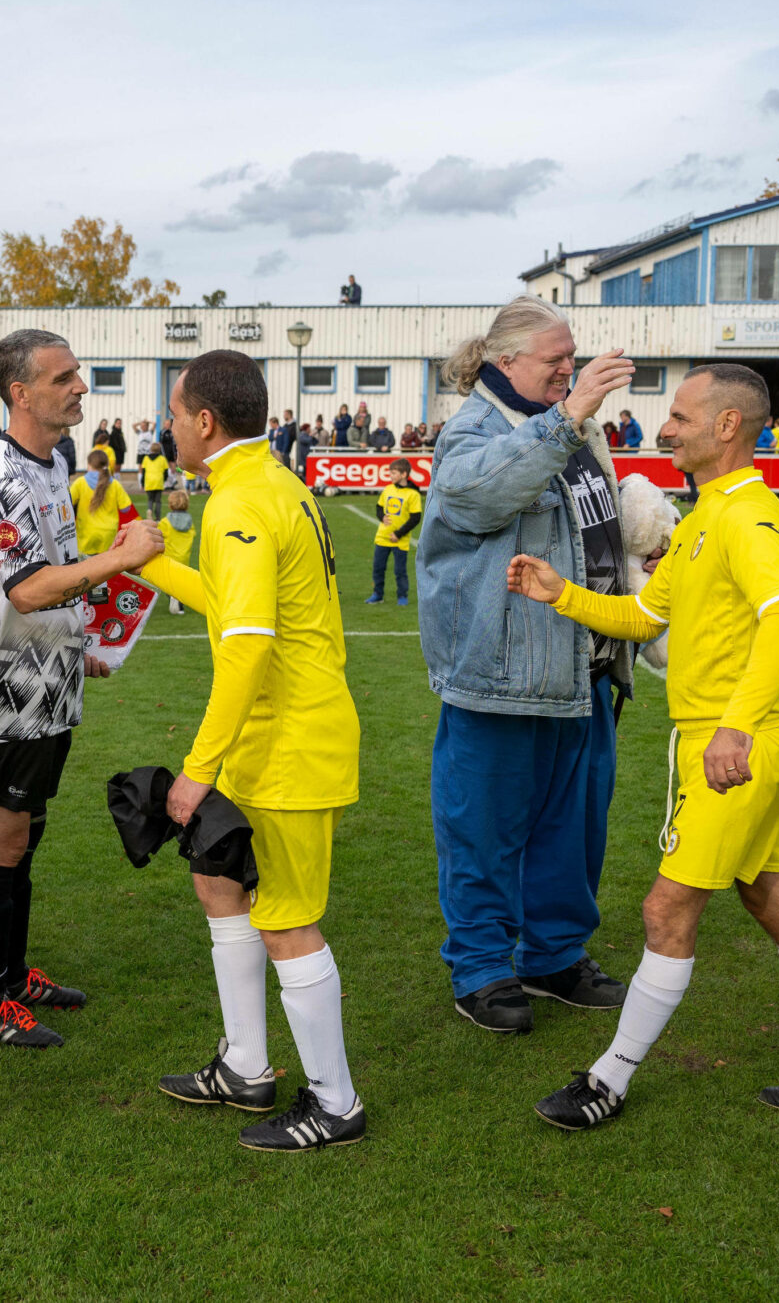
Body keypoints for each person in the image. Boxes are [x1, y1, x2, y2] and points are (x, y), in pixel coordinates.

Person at [511, 362, 779, 1129]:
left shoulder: (751, 518)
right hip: (735, 742)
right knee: (776, 897)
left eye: (679, 416)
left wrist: (736, 724)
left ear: (726, 426)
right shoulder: (708, 512)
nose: (665, 428)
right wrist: (562, 594)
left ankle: (608, 1079)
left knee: (665, 910)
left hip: (737, 747)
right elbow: (647, 616)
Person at [139, 349, 366, 1151]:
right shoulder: (268, 487)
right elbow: (238, 600)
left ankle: (335, 1103)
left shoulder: (238, 504)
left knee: (289, 920)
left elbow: (246, 645)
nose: (168, 426)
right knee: (217, 881)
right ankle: (245, 1065)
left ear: (204, 422)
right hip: (278, 738)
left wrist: (197, 769)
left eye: (173, 412)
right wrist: (158, 564)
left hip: (289, 744)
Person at [417, 298, 635, 1033]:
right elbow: (478, 496)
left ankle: (553, 955)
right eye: (555, 360)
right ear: (505, 362)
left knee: (573, 831)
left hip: (583, 670)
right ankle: (481, 968)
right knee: (483, 829)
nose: (569, 371)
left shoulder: (570, 428)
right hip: (501, 675)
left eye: (572, 359)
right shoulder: (475, 430)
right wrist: (569, 412)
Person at [0, 330, 160, 1049]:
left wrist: (82, 645)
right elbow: (31, 587)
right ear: (20, 392)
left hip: (48, 677)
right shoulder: (3, 476)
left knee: (26, 833)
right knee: (1, 836)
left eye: (77, 374)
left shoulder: (54, 461)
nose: (79, 386)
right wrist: (119, 556)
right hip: (5, 687)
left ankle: (13, 976)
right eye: (64, 376)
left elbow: (51, 577)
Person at [366, 458, 422, 605]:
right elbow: (379, 507)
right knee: (378, 568)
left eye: (394, 473)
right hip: (382, 537)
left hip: (399, 541)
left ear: (404, 474)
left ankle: (402, 596)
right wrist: (382, 517)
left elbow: (415, 518)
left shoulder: (413, 494)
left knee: (400, 571)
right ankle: (378, 595)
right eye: (390, 473)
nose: (390, 475)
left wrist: (398, 534)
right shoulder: (388, 489)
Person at [68, 445, 134, 559]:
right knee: (104, 572)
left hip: (86, 535)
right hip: (108, 535)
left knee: (86, 571)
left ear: (89, 465)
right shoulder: (114, 484)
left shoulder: (80, 483)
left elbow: (67, 502)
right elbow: (125, 509)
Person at [140, 442, 171, 520]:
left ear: (151, 449)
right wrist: (164, 479)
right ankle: (157, 517)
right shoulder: (162, 459)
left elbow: (143, 472)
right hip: (158, 482)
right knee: (158, 501)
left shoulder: (146, 458)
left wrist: (142, 482)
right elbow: (166, 471)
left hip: (149, 482)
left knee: (150, 499)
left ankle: (149, 511)